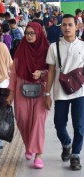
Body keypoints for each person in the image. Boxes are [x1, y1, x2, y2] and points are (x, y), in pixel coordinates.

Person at [6, 22, 50, 169]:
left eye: (32, 33)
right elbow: (13, 72)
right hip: (21, 87)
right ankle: (28, 146)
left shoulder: (46, 49)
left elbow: (52, 72)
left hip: (41, 89)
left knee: (38, 119)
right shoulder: (21, 49)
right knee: (22, 119)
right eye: (27, 33)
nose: (29, 36)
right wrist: (11, 93)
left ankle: (38, 154)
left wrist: (42, 73)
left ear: (39, 33)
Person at [45, 14, 84, 171]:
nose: (67, 28)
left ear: (77, 27)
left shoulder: (82, 46)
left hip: (80, 93)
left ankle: (75, 155)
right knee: (59, 124)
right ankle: (66, 143)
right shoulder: (54, 47)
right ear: (60, 27)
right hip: (60, 92)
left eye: (70, 25)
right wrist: (47, 94)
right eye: (64, 25)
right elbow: (51, 71)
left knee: (79, 126)